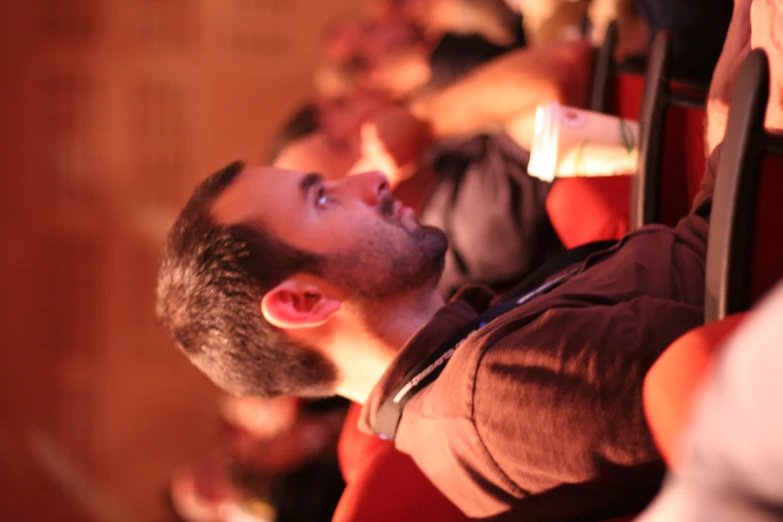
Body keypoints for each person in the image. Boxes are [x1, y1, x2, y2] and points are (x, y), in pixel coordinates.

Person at [155, 2, 759, 519]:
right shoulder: (491, 398)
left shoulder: (468, 352)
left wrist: (729, 112)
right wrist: (742, 116)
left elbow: (700, 272)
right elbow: (740, 340)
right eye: (321, 197)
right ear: (304, 302)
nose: (368, 179)